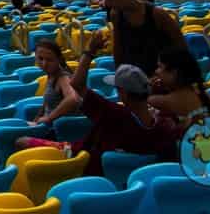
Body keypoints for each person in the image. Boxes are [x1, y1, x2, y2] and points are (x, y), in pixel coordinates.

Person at [65, 33, 179, 176]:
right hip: (141, 186)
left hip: (90, 175)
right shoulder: (165, 124)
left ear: (123, 93)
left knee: (27, 141)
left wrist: (89, 52)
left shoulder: (114, 114)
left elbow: (76, 84)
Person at [100, 0, 183, 76]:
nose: (106, 3)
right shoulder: (116, 14)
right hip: (133, 77)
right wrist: (119, 76)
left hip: (159, 77)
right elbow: (118, 48)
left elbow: (181, 47)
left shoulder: (157, 15)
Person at [14, 40, 81, 148]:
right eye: (40, 59)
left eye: (49, 60)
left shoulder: (63, 77)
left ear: (58, 59)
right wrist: (37, 118)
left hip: (55, 132)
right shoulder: (51, 75)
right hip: (46, 126)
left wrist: (49, 118)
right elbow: (48, 103)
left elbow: (73, 99)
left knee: (17, 139)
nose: (44, 63)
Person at [148, 44, 210, 126]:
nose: (156, 71)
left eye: (160, 67)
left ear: (174, 73)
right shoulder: (208, 97)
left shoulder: (159, 101)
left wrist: (150, 89)